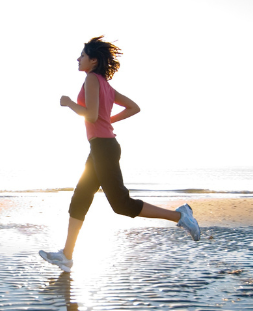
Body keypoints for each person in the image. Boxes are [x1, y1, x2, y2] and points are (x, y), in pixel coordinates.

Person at [39, 36, 201, 273]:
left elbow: (91, 116)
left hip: (103, 148)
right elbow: (133, 107)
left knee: (121, 204)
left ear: (93, 60)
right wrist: (108, 120)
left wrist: (70, 103)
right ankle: (67, 256)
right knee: (80, 198)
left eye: (82, 55)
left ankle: (179, 216)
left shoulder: (92, 79)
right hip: (101, 147)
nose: (78, 58)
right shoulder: (105, 84)